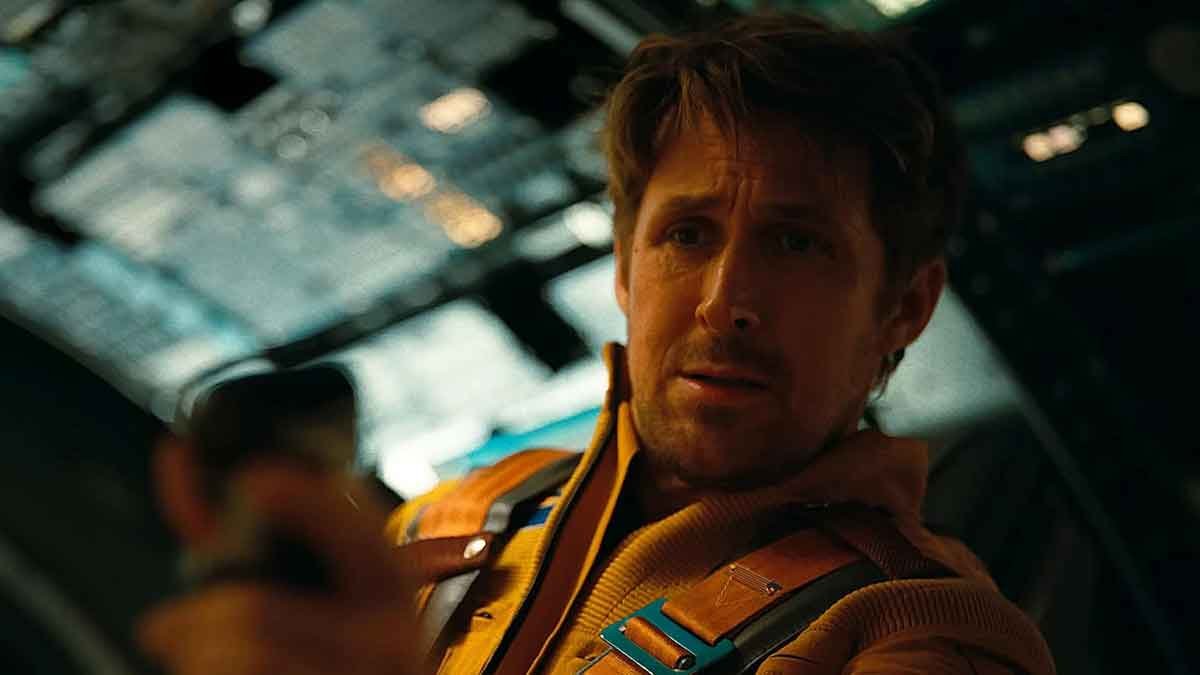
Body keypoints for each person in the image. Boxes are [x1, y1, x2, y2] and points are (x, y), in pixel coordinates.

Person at [139, 11, 1056, 675]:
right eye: (688, 234)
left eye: (797, 243)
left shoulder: (922, 632)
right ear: (624, 265)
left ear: (904, 307)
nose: (726, 303)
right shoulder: (447, 516)